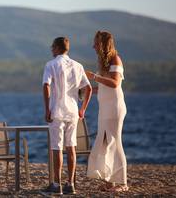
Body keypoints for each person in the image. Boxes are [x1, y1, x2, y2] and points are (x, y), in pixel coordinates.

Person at [42, 37, 92, 195]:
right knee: (71, 148)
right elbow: (89, 88)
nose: (51, 50)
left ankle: (57, 184)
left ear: (57, 48)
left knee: (57, 148)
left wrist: (47, 109)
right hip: (72, 112)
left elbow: (46, 85)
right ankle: (70, 183)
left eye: (52, 47)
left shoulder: (51, 64)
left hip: (57, 111)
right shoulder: (78, 66)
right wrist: (82, 109)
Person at [85, 31, 128, 192]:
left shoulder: (115, 59)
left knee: (115, 143)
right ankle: (111, 181)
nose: (93, 46)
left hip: (114, 109)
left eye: (96, 43)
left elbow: (115, 83)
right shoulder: (105, 62)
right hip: (105, 110)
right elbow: (104, 86)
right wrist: (86, 90)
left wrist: (94, 77)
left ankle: (122, 183)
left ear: (103, 44)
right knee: (105, 143)